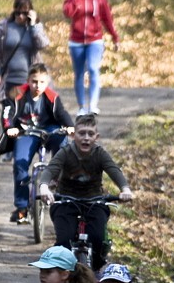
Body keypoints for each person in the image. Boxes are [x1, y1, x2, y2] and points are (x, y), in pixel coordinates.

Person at [38, 114, 132, 271]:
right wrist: (44, 187)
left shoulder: (100, 154)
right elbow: (51, 169)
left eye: (90, 134)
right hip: (65, 201)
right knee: (64, 241)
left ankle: (97, 269)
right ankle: (61, 274)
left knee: (98, 239)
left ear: (96, 137)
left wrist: (125, 189)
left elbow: (114, 170)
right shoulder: (66, 152)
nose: (86, 138)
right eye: (82, 133)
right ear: (73, 135)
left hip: (94, 201)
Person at [0, 63, 74, 225]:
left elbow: (62, 114)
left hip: (49, 130)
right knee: (20, 163)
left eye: (42, 82)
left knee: (62, 141)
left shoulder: (52, 97)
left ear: (47, 82)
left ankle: (57, 177)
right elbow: (7, 114)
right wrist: (9, 128)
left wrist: (70, 127)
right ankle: (22, 207)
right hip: (26, 132)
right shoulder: (17, 94)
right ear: (28, 81)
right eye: (34, 81)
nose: (38, 86)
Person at [63, 0, 120, 116]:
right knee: (79, 74)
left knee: (93, 69)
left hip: (95, 40)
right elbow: (68, 13)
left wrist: (115, 37)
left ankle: (93, 105)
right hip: (76, 41)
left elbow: (107, 18)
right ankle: (82, 107)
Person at [0, 0, 50, 108]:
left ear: (30, 13)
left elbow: (43, 44)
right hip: (9, 79)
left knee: (28, 112)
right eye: (18, 13)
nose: (20, 16)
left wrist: (33, 26)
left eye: (24, 13)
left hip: (30, 80)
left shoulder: (35, 28)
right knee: (9, 111)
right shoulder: (4, 27)